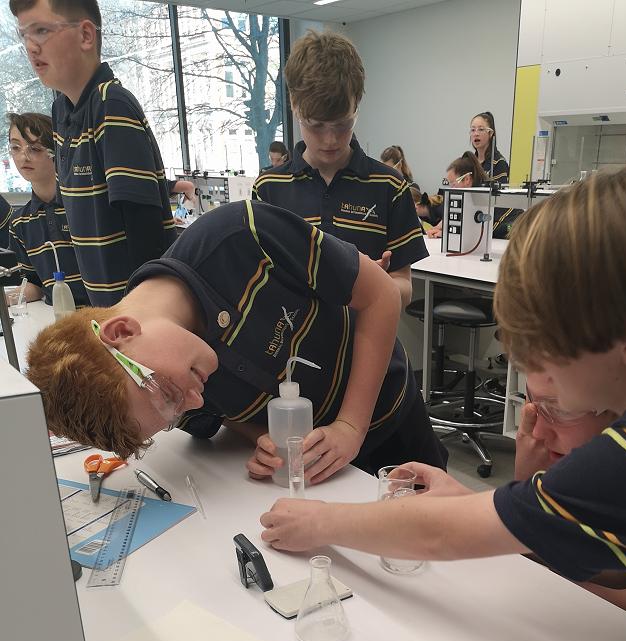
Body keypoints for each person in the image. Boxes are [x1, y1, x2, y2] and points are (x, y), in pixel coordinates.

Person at [259, 162, 626, 641]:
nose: (531, 373)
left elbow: (439, 537)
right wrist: (481, 505)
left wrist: (320, 522)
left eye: (542, 346)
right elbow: (615, 562)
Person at [25, 199, 448, 481]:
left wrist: (351, 426)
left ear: (122, 332)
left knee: (441, 531)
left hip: (387, 408)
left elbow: (382, 295)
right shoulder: (166, 382)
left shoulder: (240, 237)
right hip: (317, 464)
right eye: (173, 414)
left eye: (169, 394)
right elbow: (219, 416)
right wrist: (259, 437)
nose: (193, 401)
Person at [10, 0, 176, 306]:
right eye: (25, 35)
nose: (31, 47)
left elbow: (144, 228)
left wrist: (138, 312)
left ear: (86, 35)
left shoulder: (111, 104)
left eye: (42, 31)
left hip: (138, 306)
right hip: (105, 306)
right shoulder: (61, 111)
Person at [252, 31, 427, 310]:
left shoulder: (390, 186)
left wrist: (376, 285)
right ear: (294, 105)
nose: (330, 139)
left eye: (343, 124)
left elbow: (404, 287)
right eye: (316, 125)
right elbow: (257, 281)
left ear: (357, 105)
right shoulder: (268, 187)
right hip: (293, 335)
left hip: (366, 334)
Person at [5, 112, 88, 307]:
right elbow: (35, 283)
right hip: (59, 316)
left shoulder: (85, 205)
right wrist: (7, 299)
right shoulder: (20, 222)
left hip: (107, 313)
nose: (23, 157)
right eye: (16, 147)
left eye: (34, 148)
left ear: (56, 152)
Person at [426, 152, 486, 238]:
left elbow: (475, 231)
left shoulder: (483, 202)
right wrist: (436, 229)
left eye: (453, 184)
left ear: (467, 179)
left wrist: (446, 234)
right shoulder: (463, 200)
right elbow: (449, 220)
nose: (451, 188)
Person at [469, 111, 509, 184]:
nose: (476, 134)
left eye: (481, 129)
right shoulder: (468, 163)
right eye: (473, 130)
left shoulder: (499, 163)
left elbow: (499, 191)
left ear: (490, 133)